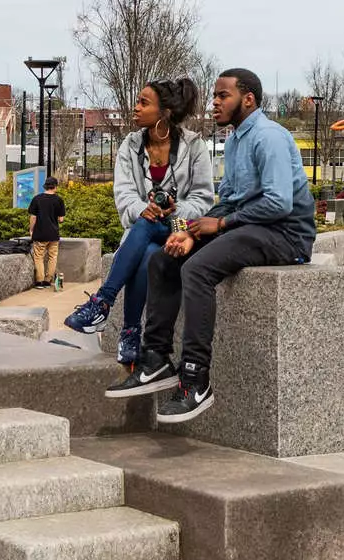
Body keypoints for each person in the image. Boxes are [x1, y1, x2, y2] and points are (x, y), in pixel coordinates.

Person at [105, 68, 315, 421]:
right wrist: (190, 231)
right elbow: (228, 199)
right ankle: (156, 358)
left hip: (285, 234)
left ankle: (195, 379)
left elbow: (279, 203)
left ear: (247, 99)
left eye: (223, 96)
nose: (214, 103)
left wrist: (220, 224)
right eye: (214, 96)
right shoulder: (234, 140)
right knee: (163, 259)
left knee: (198, 269)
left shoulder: (269, 137)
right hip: (247, 226)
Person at [65, 79, 216, 356]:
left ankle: (105, 305)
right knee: (147, 249)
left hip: (182, 228)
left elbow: (204, 199)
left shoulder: (194, 146)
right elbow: (123, 194)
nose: (135, 108)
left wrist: (174, 209)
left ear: (165, 112)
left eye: (144, 103)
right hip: (143, 228)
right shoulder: (130, 145)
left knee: (149, 227)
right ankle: (130, 335)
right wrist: (143, 209)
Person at [27, 178, 66, 287]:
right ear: (55, 186)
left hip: (40, 233)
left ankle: (39, 281)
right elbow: (61, 219)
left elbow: (33, 217)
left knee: (38, 257)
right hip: (53, 234)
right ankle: (48, 280)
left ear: (45, 186)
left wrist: (31, 230)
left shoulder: (37, 199)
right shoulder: (59, 200)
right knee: (52, 257)